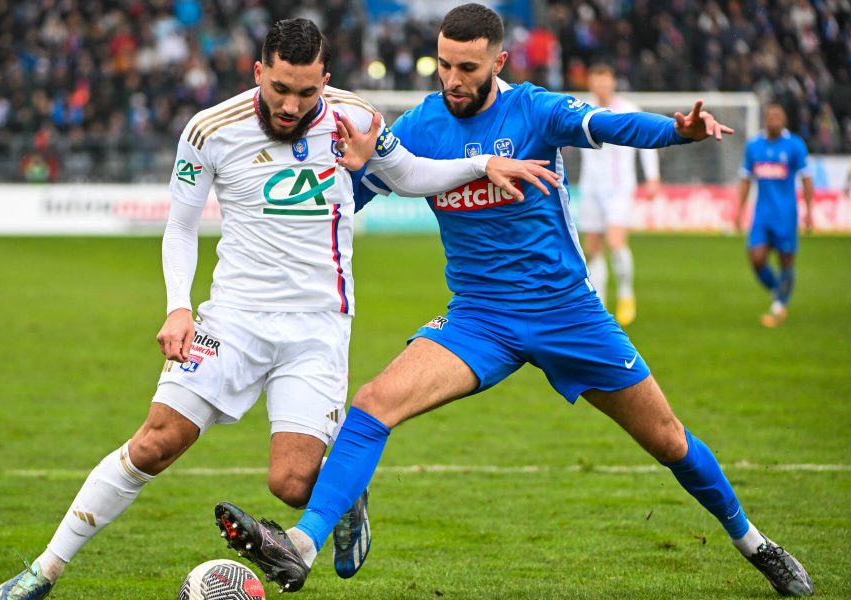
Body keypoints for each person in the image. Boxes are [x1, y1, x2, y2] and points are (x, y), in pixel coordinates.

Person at [214, 5, 814, 597]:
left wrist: (674, 133)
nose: (453, 80)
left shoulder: (534, 109)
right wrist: (324, 194)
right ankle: (301, 545)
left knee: (669, 442)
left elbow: (607, 124)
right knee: (373, 403)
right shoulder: (420, 128)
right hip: (479, 318)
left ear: (498, 61)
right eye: (444, 65)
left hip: (568, 314)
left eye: (468, 68)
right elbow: (343, 206)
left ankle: (755, 544)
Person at [0, 17, 558, 600]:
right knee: (154, 442)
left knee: (291, 484)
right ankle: (42, 573)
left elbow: (407, 173)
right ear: (259, 71)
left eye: (307, 92)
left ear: (325, 81)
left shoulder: (354, 117)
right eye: (280, 88)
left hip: (316, 328)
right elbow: (181, 227)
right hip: (231, 320)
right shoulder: (210, 131)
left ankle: (343, 491)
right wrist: (178, 308)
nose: (290, 105)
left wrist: (479, 164)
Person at [578, 64, 661, 326]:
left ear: (613, 83)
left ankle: (626, 294)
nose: (601, 86)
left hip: (619, 188)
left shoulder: (628, 109)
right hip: (590, 187)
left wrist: (652, 178)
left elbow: (647, 143)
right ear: (591, 84)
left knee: (615, 241)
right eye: (597, 81)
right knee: (592, 248)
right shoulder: (581, 109)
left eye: (606, 81)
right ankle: (599, 303)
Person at [737, 103, 814, 328]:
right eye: (770, 116)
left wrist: (809, 212)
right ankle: (777, 290)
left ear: (785, 120)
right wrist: (739, 210)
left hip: (786, 215)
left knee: (786, 261)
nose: (774, 119)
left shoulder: (794, 145)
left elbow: (806, 179)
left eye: (778, 116)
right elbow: (745, 179)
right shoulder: (754, 146)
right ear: (765, 119)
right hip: (762, 215)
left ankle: (779, 307)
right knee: (756, 258)